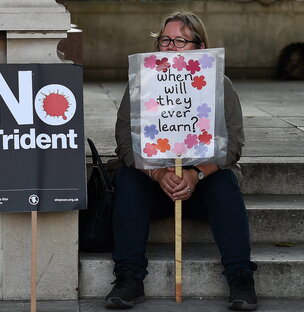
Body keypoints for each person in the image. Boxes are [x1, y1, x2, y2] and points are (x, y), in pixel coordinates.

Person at [105, 11, 258, 311]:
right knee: (127, 179)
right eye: (165, 40)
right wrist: (159, 174)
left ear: (200, 48)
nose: (170, 47)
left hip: (201, 186)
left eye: (180, 41)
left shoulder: (220, 85)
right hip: (153, 185)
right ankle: (129, 277)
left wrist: (195, 175)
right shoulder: (141, 83)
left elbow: (233, 145)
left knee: (225, 182)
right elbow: (125, 142)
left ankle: (241, 278)